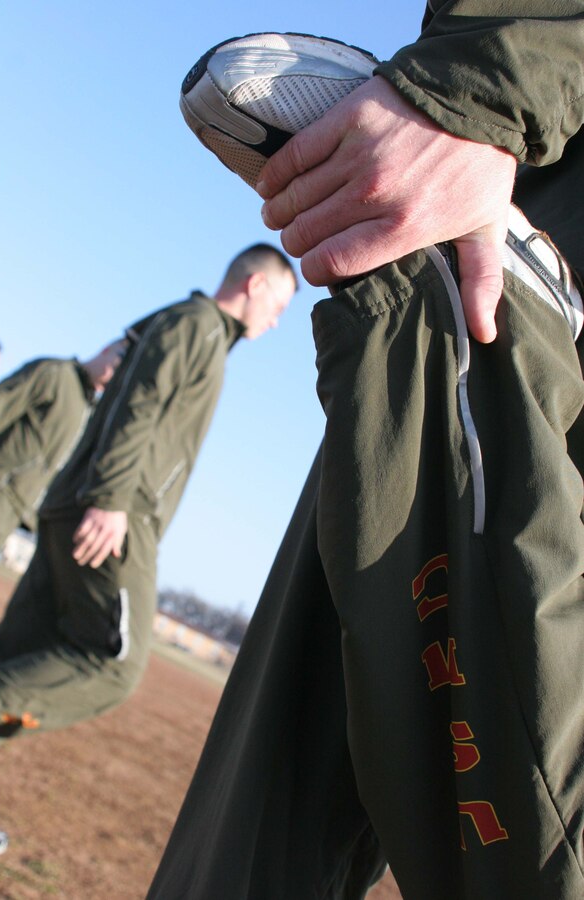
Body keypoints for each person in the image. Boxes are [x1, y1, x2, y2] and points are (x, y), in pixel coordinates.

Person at [147, 5, 584, 900]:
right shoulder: (189, 329)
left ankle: (457, 346)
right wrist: (478, 92)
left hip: (462, 319)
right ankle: (467, 348)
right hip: (476, 298)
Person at [0, 242, 297, 857]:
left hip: (71, 507)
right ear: (256, 286)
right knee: (114, 666)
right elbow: (139, 408)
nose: (276, 322)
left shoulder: (190, 329)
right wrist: (111, 499)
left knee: (18, 654)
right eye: (280, 306)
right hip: (110, 515)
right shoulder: (198, 325)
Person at [0, 342, 128, 565]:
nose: (117, 374)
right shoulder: (54, 374)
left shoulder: (89, 410)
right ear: (106, 350)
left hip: (17, 509)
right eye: (120, 360)